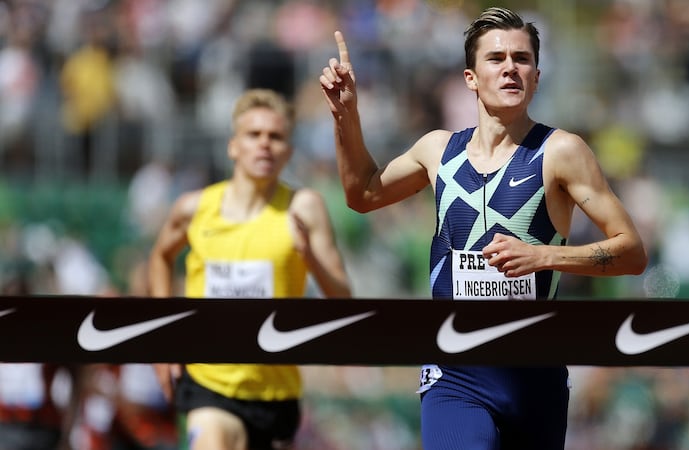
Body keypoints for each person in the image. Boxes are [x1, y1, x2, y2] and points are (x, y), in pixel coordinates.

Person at [320, 7, 648, 450]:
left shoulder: (562, 152)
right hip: (455, 369)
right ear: (470, 78)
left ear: (536, 75)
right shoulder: (437, 150)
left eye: (522, 58)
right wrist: (346, 118)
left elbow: (631, 252)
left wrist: (546, 256)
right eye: (496, 58)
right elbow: (363, 194)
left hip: (534, 370)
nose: (511, 67)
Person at [148, 88, 351, 450]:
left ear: (288, 151)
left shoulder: (303, 208)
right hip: (208, 382)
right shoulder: (194, 208)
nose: (264, 145)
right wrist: (165, 340)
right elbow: (160, 257)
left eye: (275, 137)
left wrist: (312, 259)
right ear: (233, 146)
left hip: (274, 391)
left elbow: (342, 297)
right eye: (253, 135)